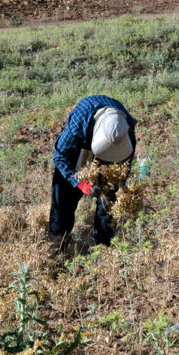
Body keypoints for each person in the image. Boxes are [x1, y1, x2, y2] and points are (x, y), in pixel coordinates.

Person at [49, 95, 136, 247]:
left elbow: (126, 161)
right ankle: (58, 246)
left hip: (110, 159)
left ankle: (103, 248)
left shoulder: (126, 126)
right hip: (79, 147)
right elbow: (60, 156)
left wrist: (118, 183)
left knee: (107, 203)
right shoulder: (80, 121)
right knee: (62, 201)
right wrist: (81, 183)